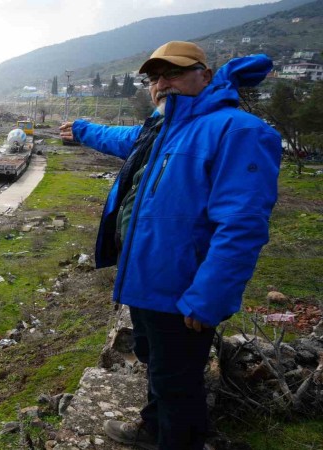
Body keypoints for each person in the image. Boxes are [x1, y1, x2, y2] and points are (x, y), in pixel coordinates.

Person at [59, 41, 282, 449]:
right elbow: (121, 138)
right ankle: (155, 427)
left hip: (182, 288)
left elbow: (242, 224)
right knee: (158, 364)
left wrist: (210, 295)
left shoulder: (239, 131)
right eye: (155, 77)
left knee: (175, 376)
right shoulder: (163, 130)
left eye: (174, 73)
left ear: (205, 76)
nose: (162, 84)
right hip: (145, 278)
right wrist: (81, 129)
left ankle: (177, 438)